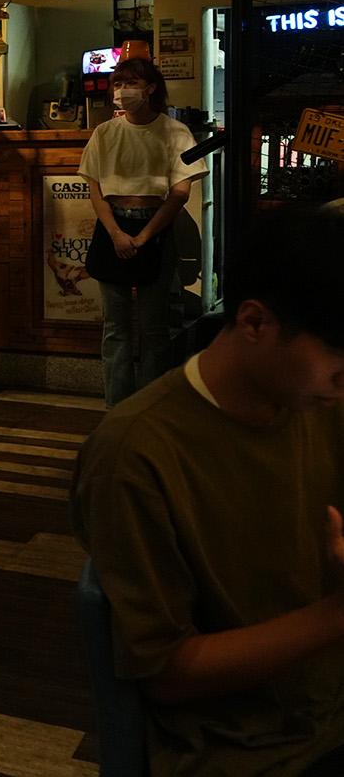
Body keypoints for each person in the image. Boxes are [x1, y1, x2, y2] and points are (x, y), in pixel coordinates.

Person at [71, 205, 344, 777]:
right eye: (338, 368)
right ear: (252, 322)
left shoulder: (315, 401)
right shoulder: (134, 456)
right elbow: (169, 672)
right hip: (253, 747)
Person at [78, 57, 207, 406]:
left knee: (154, 327)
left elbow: (180, 193)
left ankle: (149, 406)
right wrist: (117, 234)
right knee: (115, 328)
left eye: (130, 83)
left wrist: (145, 235)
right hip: (113, 228)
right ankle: (117, 407)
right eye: (117, 84)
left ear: (151, 88)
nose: (121, 91)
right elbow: (95, 189)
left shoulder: (175, 132)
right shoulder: (105, 132)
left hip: (156, 229)